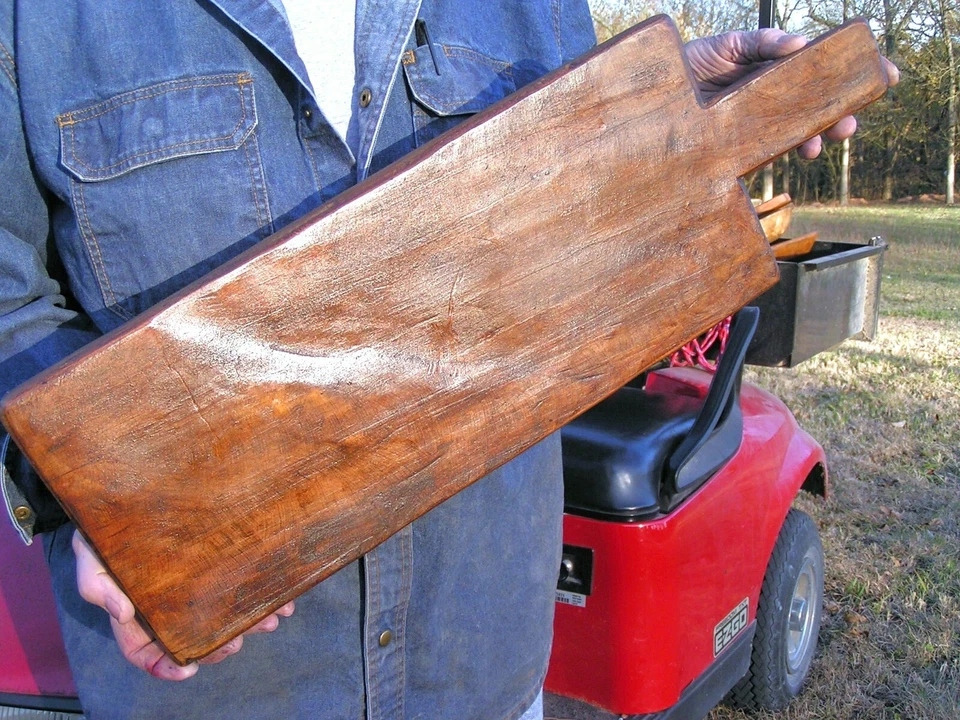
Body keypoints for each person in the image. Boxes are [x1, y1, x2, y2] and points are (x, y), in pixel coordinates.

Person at [0, 2, 895, 718]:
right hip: (218, 696)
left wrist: (655, 128)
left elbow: (540, 234)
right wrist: (87, 501)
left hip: (481, 670)